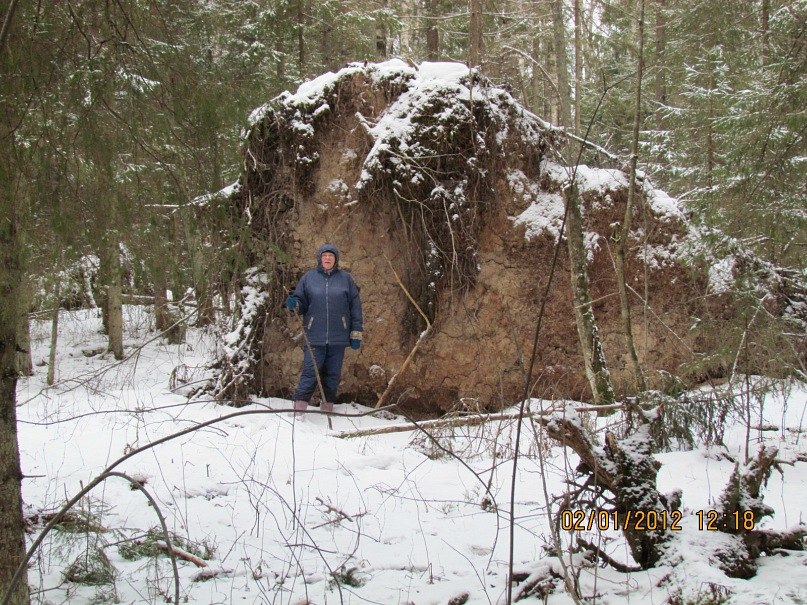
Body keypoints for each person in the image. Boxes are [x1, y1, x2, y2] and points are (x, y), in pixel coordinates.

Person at [285, 243, 363, 417]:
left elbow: (355, 308)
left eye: (331, 256)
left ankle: (327, 410)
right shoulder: (308, 278)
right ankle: (298, 412)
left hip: (338, 337)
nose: (328, 258)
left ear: (336, 259)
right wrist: (294, 304)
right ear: (320, 259)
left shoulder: (346, 279)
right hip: (314, 335)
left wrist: (355, 333)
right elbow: (300, 302)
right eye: (324, 256)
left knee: (333, 375)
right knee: (310, 373)